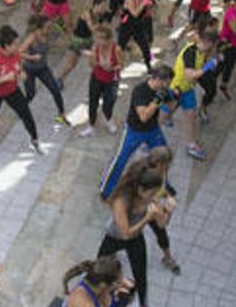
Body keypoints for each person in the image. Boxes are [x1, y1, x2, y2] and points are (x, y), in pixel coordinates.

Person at [98, 161, 173, 307]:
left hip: (136, 239)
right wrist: (147, 218)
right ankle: (89, 297)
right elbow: (125, 233)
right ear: (140, 189)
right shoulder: (122, 199)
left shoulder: (151, 196)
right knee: (99, 270)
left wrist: (168, 211)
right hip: (115, 237)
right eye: (152, 192)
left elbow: (161, 225)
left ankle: (143, 306)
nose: (155, 196)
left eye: (157, 192)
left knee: (141, 276)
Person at [98, 64, 174, 200]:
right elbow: (143, 116)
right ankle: (106, 189)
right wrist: (157, 101)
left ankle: (163, 184)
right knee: (120, 160)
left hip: (153, 130)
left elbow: (171, 102)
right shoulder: (140, 91)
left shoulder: (163, 90)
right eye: (165, 83)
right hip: (134, 130)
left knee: (164, 157)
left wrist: (173, 96)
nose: (166, 86)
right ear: (157, 79)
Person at [0, 26, 43, 154]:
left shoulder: (16, 54)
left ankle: (35, 140)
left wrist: (21, 74)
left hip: (12, 91)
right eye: (15, 44)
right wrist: (5, 79)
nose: (18, 46)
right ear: (6, 46)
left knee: (26, 114)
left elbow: (18, 68)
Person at [170, 31, 219, 160]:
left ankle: (192, 145)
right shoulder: (190, 53)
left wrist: (207, 66)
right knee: (163, 115)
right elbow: (190, 74)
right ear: (209, 43)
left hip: (187, 89)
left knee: (191, 115)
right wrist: (208, 67)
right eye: (213, 45)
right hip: (176, 89)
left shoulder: (201, 51)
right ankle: (144, 134)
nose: (213, 48)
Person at [19, 15, 70, 128]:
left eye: (49, 27)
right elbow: (19, 52)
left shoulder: (47, 34)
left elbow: (59, 31)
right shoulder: (32, 37)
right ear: (40, 28)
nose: (48, 29)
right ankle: (22, 110)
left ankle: (61, 114)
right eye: (46, 27)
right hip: (29, 69)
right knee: (30, 94)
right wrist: (32, 58)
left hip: (43, 68)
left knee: (55, 90)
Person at [79, 25, 123, 137]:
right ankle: (91, 126)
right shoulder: (95, 47)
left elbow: (121, 65)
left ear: (108, 39)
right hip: (97, 78)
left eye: (100, 39)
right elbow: (91, 65)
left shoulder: (116, 49)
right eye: (96, 38)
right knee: (93, 103)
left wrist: (111, 68)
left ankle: (109, 120)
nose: (98, 41)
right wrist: (95, 60)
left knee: (108, 104)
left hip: (111, 81)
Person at [57, 0, 103, 84]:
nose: (103, 8)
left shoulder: (97, 15)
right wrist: (100, 27)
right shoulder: (87, 14)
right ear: (96, 5)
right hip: (78, 41)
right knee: (71, 64)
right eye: (102, 6)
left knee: (94, 59)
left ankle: (98, 79)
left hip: (88, 40)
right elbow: (92, 28)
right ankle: (60, 79)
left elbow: (95, 31)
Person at [118, 0, 156, 73]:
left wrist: (151, 4)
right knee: (120, 48)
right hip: (126, 27)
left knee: (145, 47)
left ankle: (149, 67)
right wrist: (143, 3)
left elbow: (150, 10)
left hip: (137, 27)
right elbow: (134, 13)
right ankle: (116, 68)